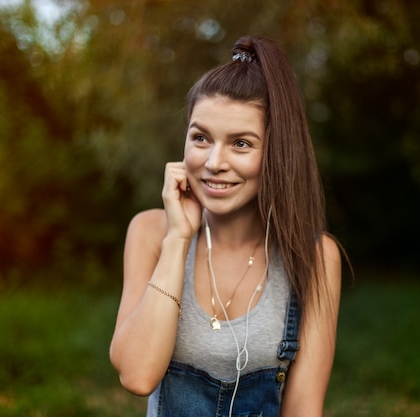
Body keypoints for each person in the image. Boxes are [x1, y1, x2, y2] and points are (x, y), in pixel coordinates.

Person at [109, 35, 342, 417]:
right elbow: (137, 375)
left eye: (241, 144)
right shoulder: (151, 232)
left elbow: (303, 408)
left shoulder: (315, 256)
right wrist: (178, 237)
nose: (214, 161)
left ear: (276, 152)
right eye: (201, 137)